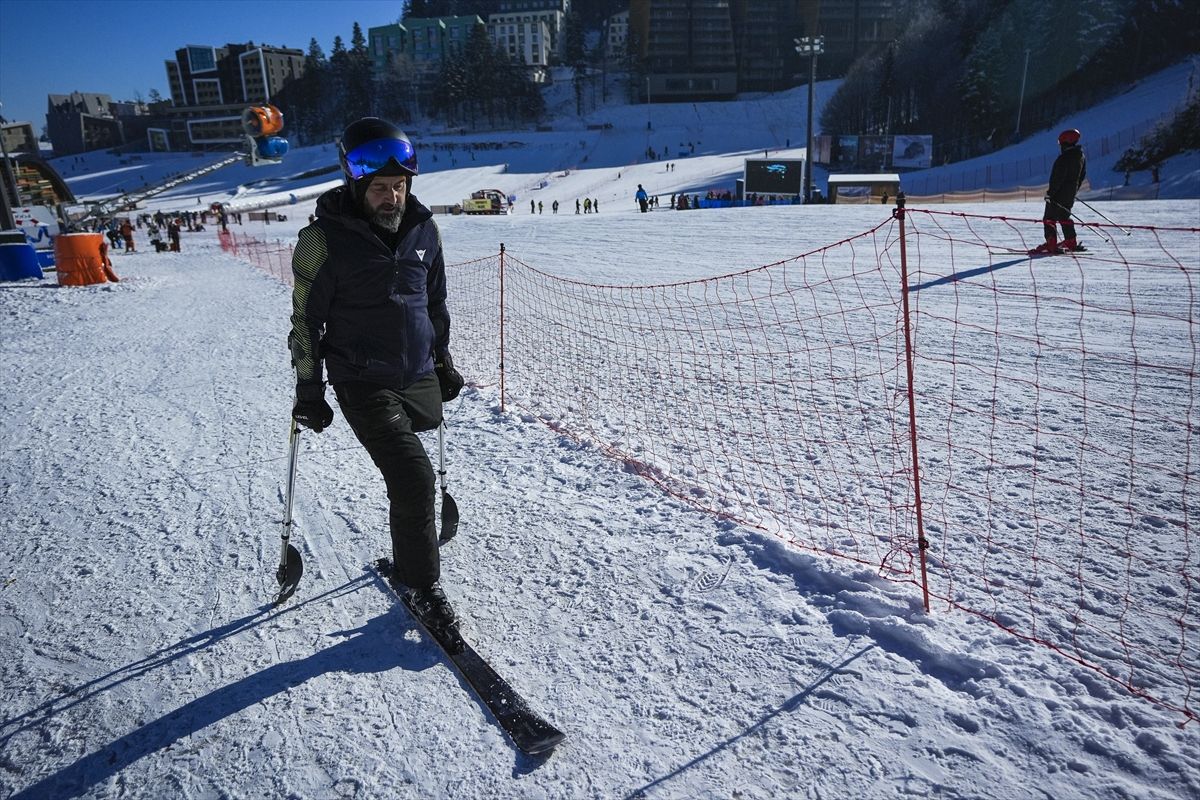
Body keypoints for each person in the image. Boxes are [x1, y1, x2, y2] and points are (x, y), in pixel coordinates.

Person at [288, 117, 465, 631]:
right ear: (357, 185)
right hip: (361, 379)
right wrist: (309, 388)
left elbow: (434, 304)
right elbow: (305, 320)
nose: (392, 197)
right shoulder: (322, 241)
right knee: (413, 476)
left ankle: (409, 547)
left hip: (416, 373)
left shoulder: (424, 231)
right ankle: (421, 584)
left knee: (416, 464)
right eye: (381, 188)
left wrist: (444, 362)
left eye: (399, 186)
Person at [1034, 128, 1087, 254]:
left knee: (1049, 218)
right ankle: (1070, 241)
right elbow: (1082, 176)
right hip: (1070, 193)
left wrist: (1050, 193)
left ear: (1066, 142)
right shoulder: (1081, 156)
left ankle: (1051, 243)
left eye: (1061, 143)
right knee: (1064, 216)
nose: (1061, 146)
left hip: (1058, 194)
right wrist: (1073, 190)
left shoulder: (1064, 158)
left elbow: (1058, 178)